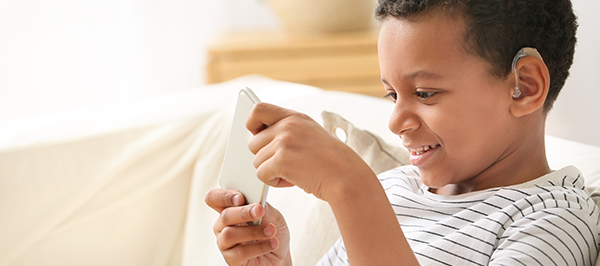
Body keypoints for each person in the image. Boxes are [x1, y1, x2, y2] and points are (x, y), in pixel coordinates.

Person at [205, 0, 600, 265]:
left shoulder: (553, 220)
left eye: (425, 93)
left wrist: (352, 189)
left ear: (524, 86)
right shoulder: (394, 190)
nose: (394, 121)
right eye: (391, 93)